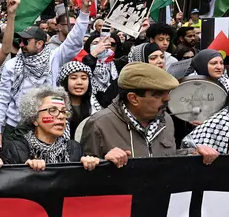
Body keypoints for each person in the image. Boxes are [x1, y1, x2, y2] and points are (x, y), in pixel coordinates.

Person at [0, 0, 91, 148]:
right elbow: (3, 97)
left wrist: (84, 11)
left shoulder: (53, 58)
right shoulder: (12, 65)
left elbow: (74, 42)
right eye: (21, 41)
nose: (22, 44)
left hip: (45, 125)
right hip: (14, 126)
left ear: (39, 44)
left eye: (26, 41)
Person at [81, 62, 220, 164]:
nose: (167, 98)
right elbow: (85, 177)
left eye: (167, 92)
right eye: (157, 94)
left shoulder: (166, 119)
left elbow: (165, 159)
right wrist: (104, 163)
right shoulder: (99, 125)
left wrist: (192, 153)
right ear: (133, 98)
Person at [1, 86, 100, 170]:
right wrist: (25, 170)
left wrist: (89, 166)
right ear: (34, 118)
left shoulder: (74, 148)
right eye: (53, 110)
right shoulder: (15, 149)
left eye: (64, 111)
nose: (61, 116)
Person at [57, 61, 101, 135]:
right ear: (64, 81)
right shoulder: (57, 107)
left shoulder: (94, 107)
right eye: (74, 78)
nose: (79, 82)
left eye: (84, 78)